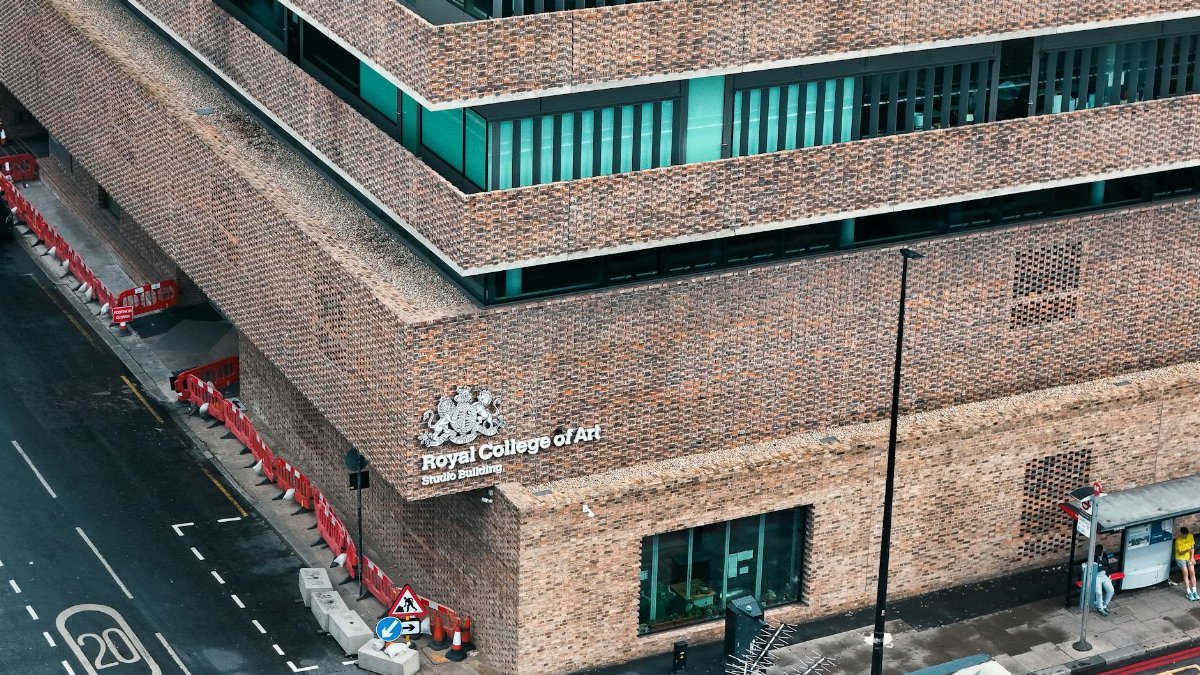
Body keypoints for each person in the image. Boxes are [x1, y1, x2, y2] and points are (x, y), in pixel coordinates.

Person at [1175, 526, 1197, 601]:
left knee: (1192, 573)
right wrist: (1186, 550)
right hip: (1180, 558)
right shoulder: (1178, 541)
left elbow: (1192, 548)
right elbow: (1180, 553)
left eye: (1187, 534)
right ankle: (1189, 592)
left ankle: (1194, 591)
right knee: (1186, 574)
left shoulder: (1190, 536)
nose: (1186, 536)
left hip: (1189, 557)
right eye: (1184, 535)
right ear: (1181, 534)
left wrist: (1192, 558)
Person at [1092, 543, 1115, 616]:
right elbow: (1096, 567)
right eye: (1096, 551)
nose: (1097, 553)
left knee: (1111, 590)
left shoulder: (1104, 555)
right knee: (1099, 593)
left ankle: (1105, 605)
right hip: (1096, 576)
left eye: (1099, 551)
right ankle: (1100, 608)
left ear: (1101, 551)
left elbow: (1106, 565)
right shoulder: (1093, 557)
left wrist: (1108, 572)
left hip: (1105, 574)